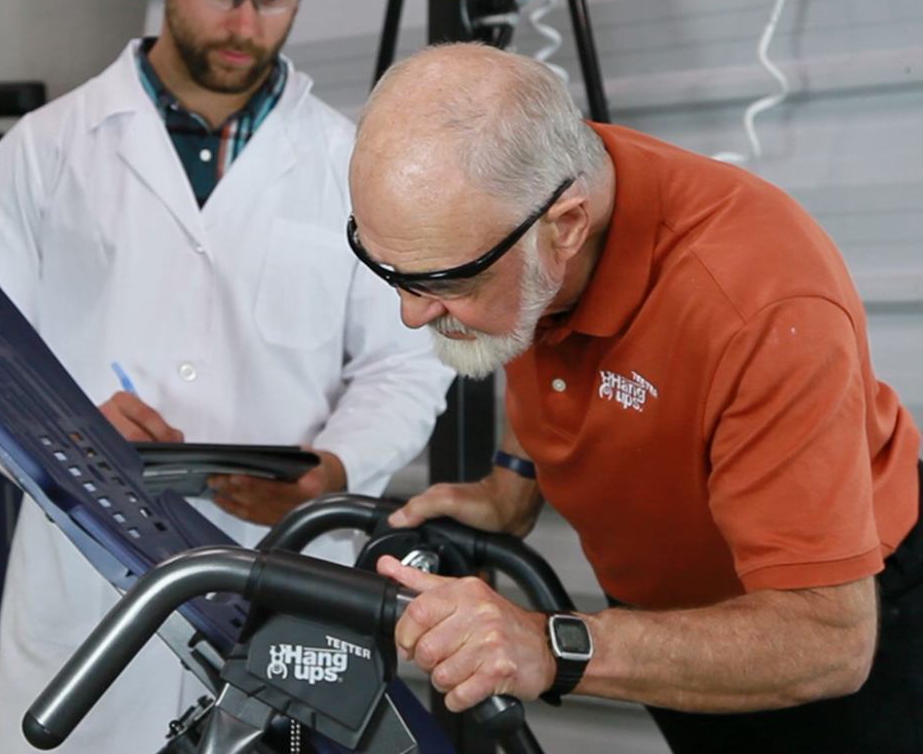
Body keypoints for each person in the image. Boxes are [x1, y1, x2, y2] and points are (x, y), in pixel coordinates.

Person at [0, 0, 452, 754]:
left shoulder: (350, 164)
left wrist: (334, 472)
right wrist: (67, 433)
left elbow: (405, 361)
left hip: (286, 577)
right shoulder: (45, 153)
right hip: (88, 587)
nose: (246, 22)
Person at [346, 41, 923, 753]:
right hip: (668, 622)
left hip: (822, 641)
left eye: (445, 282)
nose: (410, 314)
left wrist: (549, 645)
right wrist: (513, 482)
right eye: (391, 272)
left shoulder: (762, 304)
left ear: (566, 228)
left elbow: (831, 642)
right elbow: (531, 323)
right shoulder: (529, 218)